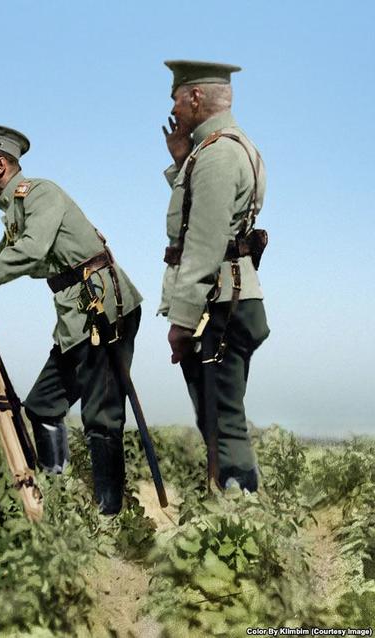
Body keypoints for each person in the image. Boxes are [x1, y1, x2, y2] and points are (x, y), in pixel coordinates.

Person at [0, 124, 143, 514]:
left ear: (0, 166)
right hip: (76, 316)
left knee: (100, 416)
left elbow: (31, 252)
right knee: (43, 405)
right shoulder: (16, 208)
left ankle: (109, 514)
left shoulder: (40, 193)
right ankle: (59, 499)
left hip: (103, 309)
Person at [159, 60, 270, 491]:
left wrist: (181, 321)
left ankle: (244, 525)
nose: (173, 105)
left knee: (224, 422)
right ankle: (234, 514)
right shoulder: (227, 148)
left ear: (196, 97)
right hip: (231, 298)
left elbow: (203, 245)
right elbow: (203, 218)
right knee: (218, 417)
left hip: (219, 303)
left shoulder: (218, 155)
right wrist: (181, 162)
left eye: (176, 96)